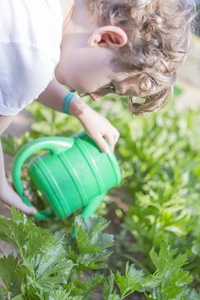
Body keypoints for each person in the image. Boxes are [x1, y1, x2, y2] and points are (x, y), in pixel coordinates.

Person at [0, 0, 196, 215]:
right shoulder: (35, 57)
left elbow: (19, 69)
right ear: (106, 38)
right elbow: (30, 69)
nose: (95, 97)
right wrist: (3, 189)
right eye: (110, 86)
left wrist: (78, 109)